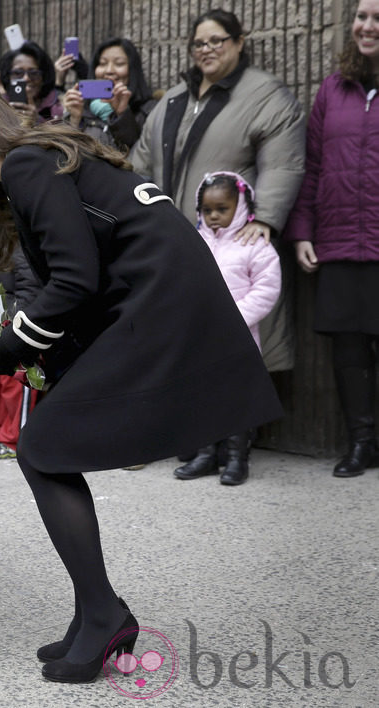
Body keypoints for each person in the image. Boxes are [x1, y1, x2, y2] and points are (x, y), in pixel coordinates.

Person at [0, 74, 281, 683]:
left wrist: (14, 342)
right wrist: (47, 356)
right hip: (160, 300)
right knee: (46, 446)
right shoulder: (34, 163)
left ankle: (103, 613)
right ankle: (97, 611)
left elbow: (74, 281)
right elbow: (85, 279)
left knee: (42, 446)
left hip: (162, 306)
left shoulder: (28, 163)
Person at [130, 8, 305, 372]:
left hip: (233, 246)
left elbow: (282, 162)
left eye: (216, 41)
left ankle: (243, 429)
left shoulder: (264, 93)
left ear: (239, 42)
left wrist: (268, 218)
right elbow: (140, 163)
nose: (206, 49)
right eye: (198, 43)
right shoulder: (174, 98)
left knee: (236, 346)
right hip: (176, 244)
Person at [284, 0, 379, 478]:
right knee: (349, 349)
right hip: (340, 240)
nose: (366, 26)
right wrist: (302, 231)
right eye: (361, 16)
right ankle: (362, 444)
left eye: (377, 17)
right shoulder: (332, 89)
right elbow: (313, 167)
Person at [174, 172, 281, 485]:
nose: (214, 216)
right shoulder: (196, 241)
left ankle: (236, 458)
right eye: (208, 210)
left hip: (238, 338)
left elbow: (266, 288)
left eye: (222, 209)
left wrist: (236, 317)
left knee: (236, 398)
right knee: (203, 396)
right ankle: (206, 454)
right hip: (201, 337)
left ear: (241, 205)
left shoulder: (254, 244)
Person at [61, 38, 156, 153]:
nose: (109, 70)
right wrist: (73, 121)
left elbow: (139, 157)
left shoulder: (150, 111)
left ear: (133, 70)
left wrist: (122, 115)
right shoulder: (82, 107)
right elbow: (63, 156)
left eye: (119, 64)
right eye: (102, 63)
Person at [0, 41, 61, 123]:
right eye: (17, 73)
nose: (26, 78)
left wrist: (37, 121)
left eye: (34, 73)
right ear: (7, 76)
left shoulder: (57, 107)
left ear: (44, 77)